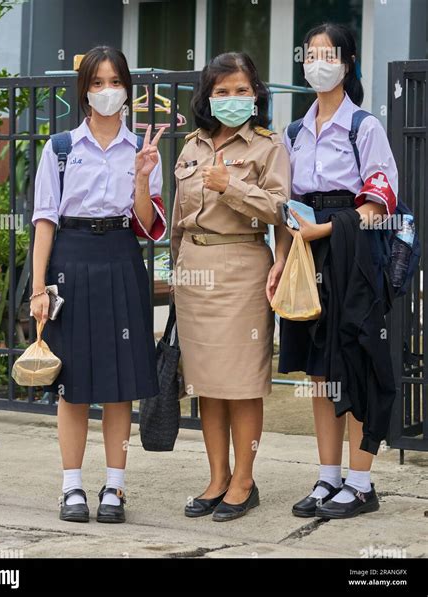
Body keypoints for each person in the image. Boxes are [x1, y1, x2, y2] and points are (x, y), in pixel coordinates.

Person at [30, 46, 166, 523]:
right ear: (84, 90)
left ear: (128, 89)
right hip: (72, 258)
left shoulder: (142, 150)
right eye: (97, 83)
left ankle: (115, 487)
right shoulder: (61, 148)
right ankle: (71, 487)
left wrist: (144, 179)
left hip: (122, 257)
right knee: (73, 384)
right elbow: (44, 220)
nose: (107, 92)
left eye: (115, 82)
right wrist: (39, 287)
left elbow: (148, 226)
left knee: (119, 385)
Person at [268, 23, 398, 520]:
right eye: (311, 55)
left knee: (357, 362)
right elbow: (287, 205)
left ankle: (362, 483)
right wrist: (280, 260)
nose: (317, 63)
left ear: (347, 63)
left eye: (329, 54)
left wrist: (327, 230)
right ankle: (328, 477)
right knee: (321, 370)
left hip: (352, 254)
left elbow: (380, 200)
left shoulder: (364, 126)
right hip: (305, 255)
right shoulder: (295, 131)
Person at [171, 52, 290, 522]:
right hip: (193, 269)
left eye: (241, 90)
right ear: (208, 96)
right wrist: (175, 268)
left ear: (256, 94)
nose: (232, 98)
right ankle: (217, 477)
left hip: (243, 266)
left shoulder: (268, 145)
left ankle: (244, 480)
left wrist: (231, 186)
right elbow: (178, 220)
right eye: (222, 91)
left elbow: (283, 210)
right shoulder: (192, 145)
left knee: (241, 384)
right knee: (207, 384)